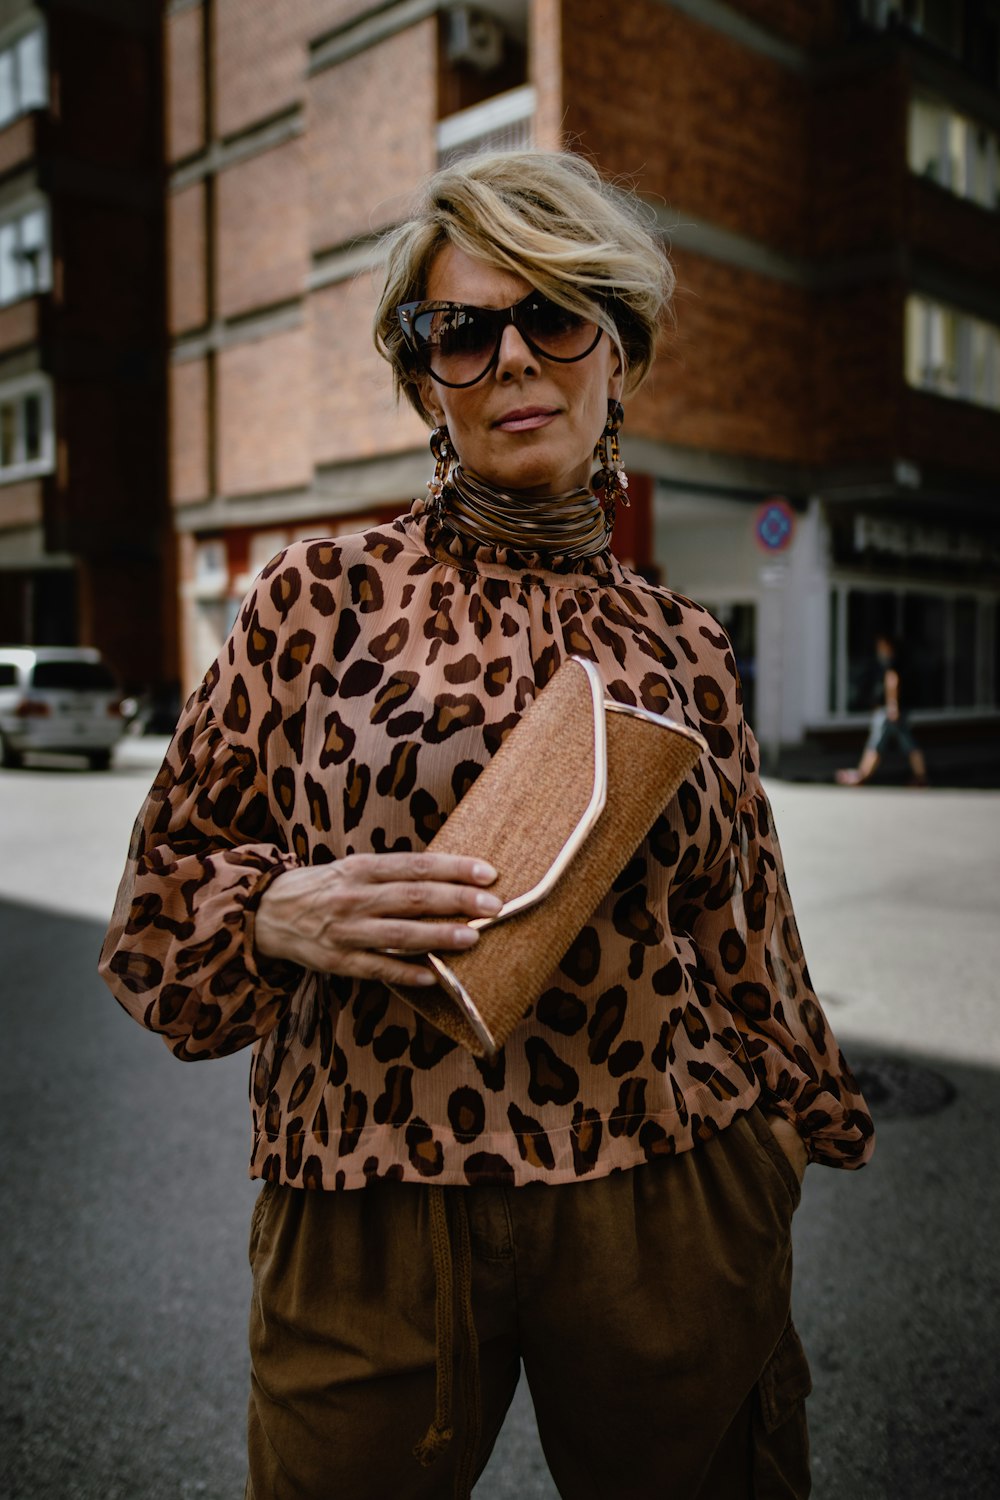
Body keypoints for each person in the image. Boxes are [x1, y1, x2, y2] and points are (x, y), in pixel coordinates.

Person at [100, 150, 874, 1500]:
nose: (513, 356)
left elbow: (751, 934)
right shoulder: (314, 599)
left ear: (614, 355)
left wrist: (779, 1149)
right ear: (424, 384)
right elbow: (155, 915)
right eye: (463, 331)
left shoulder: (684, 640)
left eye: (556, 315)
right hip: (367, 1204)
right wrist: (277, 915)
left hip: (661, 1199)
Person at [835, 632, 929, 787]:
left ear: (888, 646)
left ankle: (862, 774)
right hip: (895, 710)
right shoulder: (898, 662)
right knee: (907, 742)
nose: (879, 649)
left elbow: (892, 682)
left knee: (877, 742)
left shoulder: (893, 663)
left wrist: (892, 706)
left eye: (881, 645)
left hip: (889, 711)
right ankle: (920, 776)